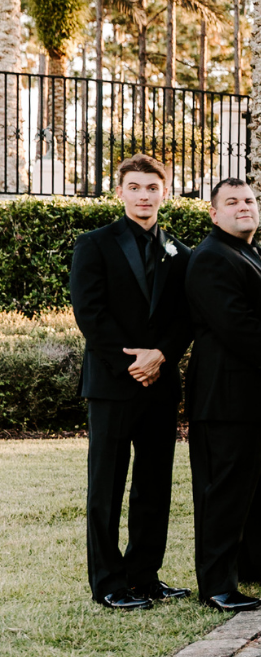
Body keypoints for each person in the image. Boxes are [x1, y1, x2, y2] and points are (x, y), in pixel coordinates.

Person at [70, 154, 193, 611]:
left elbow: (186, 316)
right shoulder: (94, 244)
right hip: (112, 385)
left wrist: (161, 354)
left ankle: (145, 576)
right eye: (135, 187)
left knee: (154, 486)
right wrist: (133, 363)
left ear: (165, 192)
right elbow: (90, 313)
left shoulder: (182, 252)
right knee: (106, 487)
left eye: (152, 187)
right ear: (120, 192)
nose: (144, 195)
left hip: (160, 384)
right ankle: (108, 583)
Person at [185, 178, 261, 612]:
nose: (244, 206)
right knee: (225, 493)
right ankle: (217, 584)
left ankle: (253, 567)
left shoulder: (255, 253)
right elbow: (237, 325)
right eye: (232, 202)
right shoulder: (210, 257)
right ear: (214, 214)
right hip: (227, 398)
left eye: (249, 200)